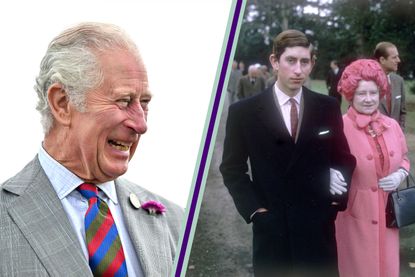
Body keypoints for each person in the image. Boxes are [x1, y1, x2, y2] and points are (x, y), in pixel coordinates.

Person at [0, 22, 183, 277]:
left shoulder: (175, 221)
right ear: (62, 103)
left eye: (144, 103)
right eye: (124, 101)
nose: (141, 125)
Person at [220, 29, 356, 276]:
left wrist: (335, 201)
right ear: (275, 62)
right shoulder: (244, 112)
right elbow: (232, 168)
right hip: (272, 231)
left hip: (317, 229)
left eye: (305, 62)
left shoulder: (327, 106)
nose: (298, 70)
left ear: (312, 64)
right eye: (291, 61)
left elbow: (344, 158)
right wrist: (255, 211)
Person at [335, 59, 410, 277]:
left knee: (386, 267)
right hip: (354, 215)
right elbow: (321, 162)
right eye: (361, 94)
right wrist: (327, 173)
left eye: (373, 93)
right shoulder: (339, 126)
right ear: (350, 95)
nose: (368, 99)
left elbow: (405, 158)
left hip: (388, 213)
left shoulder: (392, 125)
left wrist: (401, 173)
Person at [374, 42, 406, 130]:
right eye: (394, 57)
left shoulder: (399, 81)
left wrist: (400, 132)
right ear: (382, 60)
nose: (398, 60)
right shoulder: (368, 82)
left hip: (395, 138)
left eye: (398, 56)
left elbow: (402, 112)